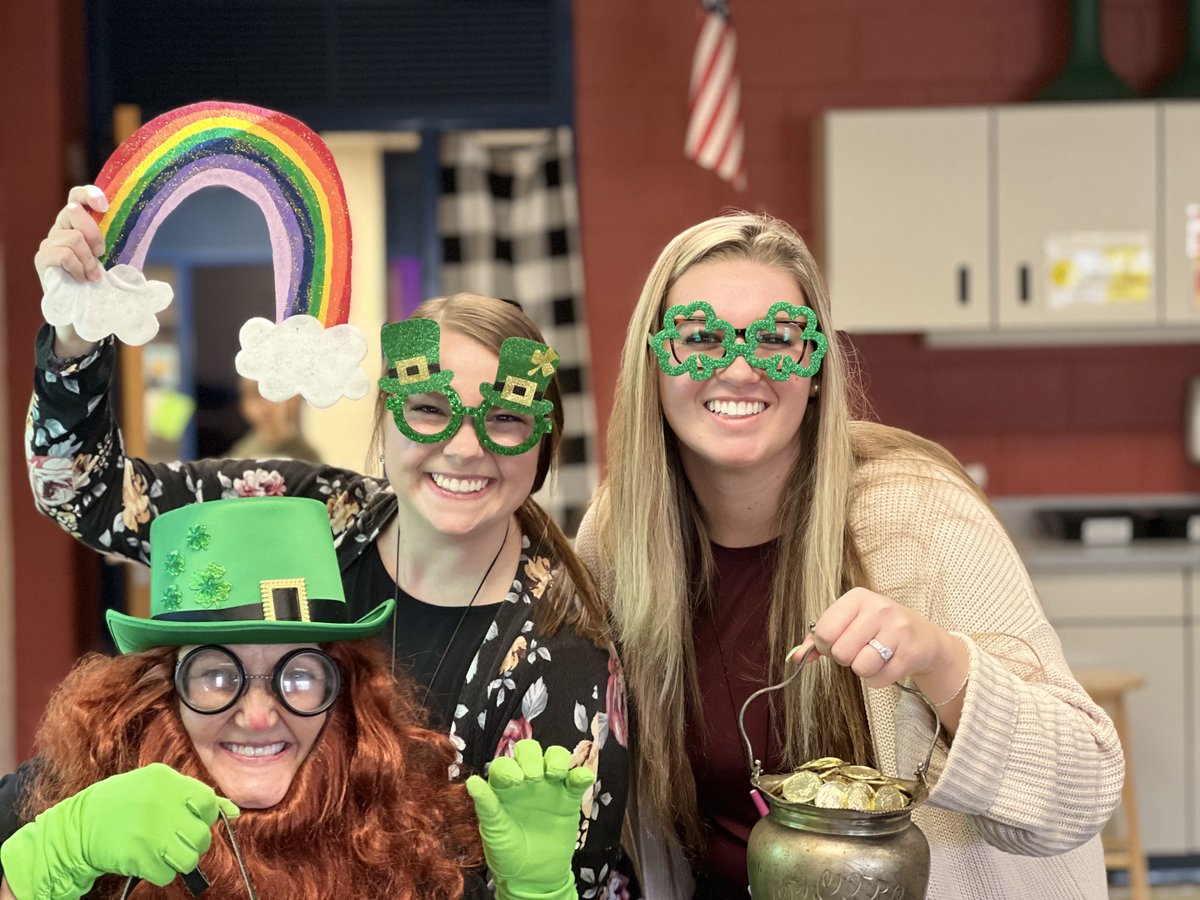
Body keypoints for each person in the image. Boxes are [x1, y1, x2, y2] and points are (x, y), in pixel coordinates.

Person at [26, 186, 630, 895]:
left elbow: (573, 881)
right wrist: (74, 333)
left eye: (503, 420)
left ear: (543, 450)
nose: (464, 449)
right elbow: (88, 495)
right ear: (387, 422)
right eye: (430, 409)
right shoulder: (305, 511)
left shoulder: (563, 660)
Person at [575, 212, 1125, 898]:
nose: (741, 368)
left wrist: (942, 661)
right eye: (700, 339)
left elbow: (1084, 790)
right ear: (654, 364)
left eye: (778, 340)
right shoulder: (617, 537)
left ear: (815, 372)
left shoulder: (917, 512)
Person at [0, 496, 589, 899]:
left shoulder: (411, 831)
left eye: (299, 676)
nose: (258, 716)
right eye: (216, 675)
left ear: (344, 689)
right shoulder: (59, 799)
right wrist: (49, 865)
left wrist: (536, 891)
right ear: (164, 686)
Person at [224, 376, 322, 463]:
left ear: (291, 400)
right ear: (245, 406)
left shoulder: (307, 456)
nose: (264, 407)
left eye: (269, 396)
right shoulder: (241, 455)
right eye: (255, 397)